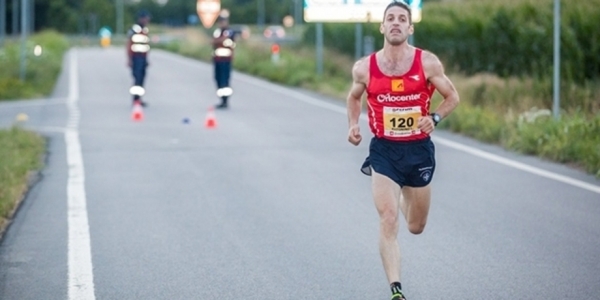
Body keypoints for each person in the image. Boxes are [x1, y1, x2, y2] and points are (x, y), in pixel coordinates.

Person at [345, 1, 460, 299]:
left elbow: (452, 97)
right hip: (384, 150)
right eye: (390, 19)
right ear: (382, 27)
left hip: (418, 150)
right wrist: (353, 125)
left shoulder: (427, 63)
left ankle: (404, 191)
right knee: (388, 217)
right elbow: (353, 98)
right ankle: (396, 289)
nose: (396, 23)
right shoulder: (364, 68)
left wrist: (434, 118)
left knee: (415, 226)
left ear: (410, 28)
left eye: (402, 19)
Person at [211, 15, 237, 109]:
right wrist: (219, 40)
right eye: (220, 21)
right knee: (217, 79)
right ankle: (221, 99)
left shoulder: (229, 32)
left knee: (224, 80)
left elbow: (228, 42)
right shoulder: (217, 32)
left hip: (226, 60)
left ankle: (225, 100)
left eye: (223, 21)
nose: (222, 23)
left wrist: (219, 41)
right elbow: (213, 41)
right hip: (217, 59)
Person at [127, 10, 151, 107]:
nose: (147, 20)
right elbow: (129, 44)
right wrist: (129, 59)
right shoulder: (135, 29)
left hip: (142, 58)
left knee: (141, 79)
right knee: (137, 79)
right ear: (141, 18)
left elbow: (145, 45)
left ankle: (138, 99)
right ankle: (135, 99)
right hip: (136, 57)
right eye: (146, 18)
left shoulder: (144, 30)